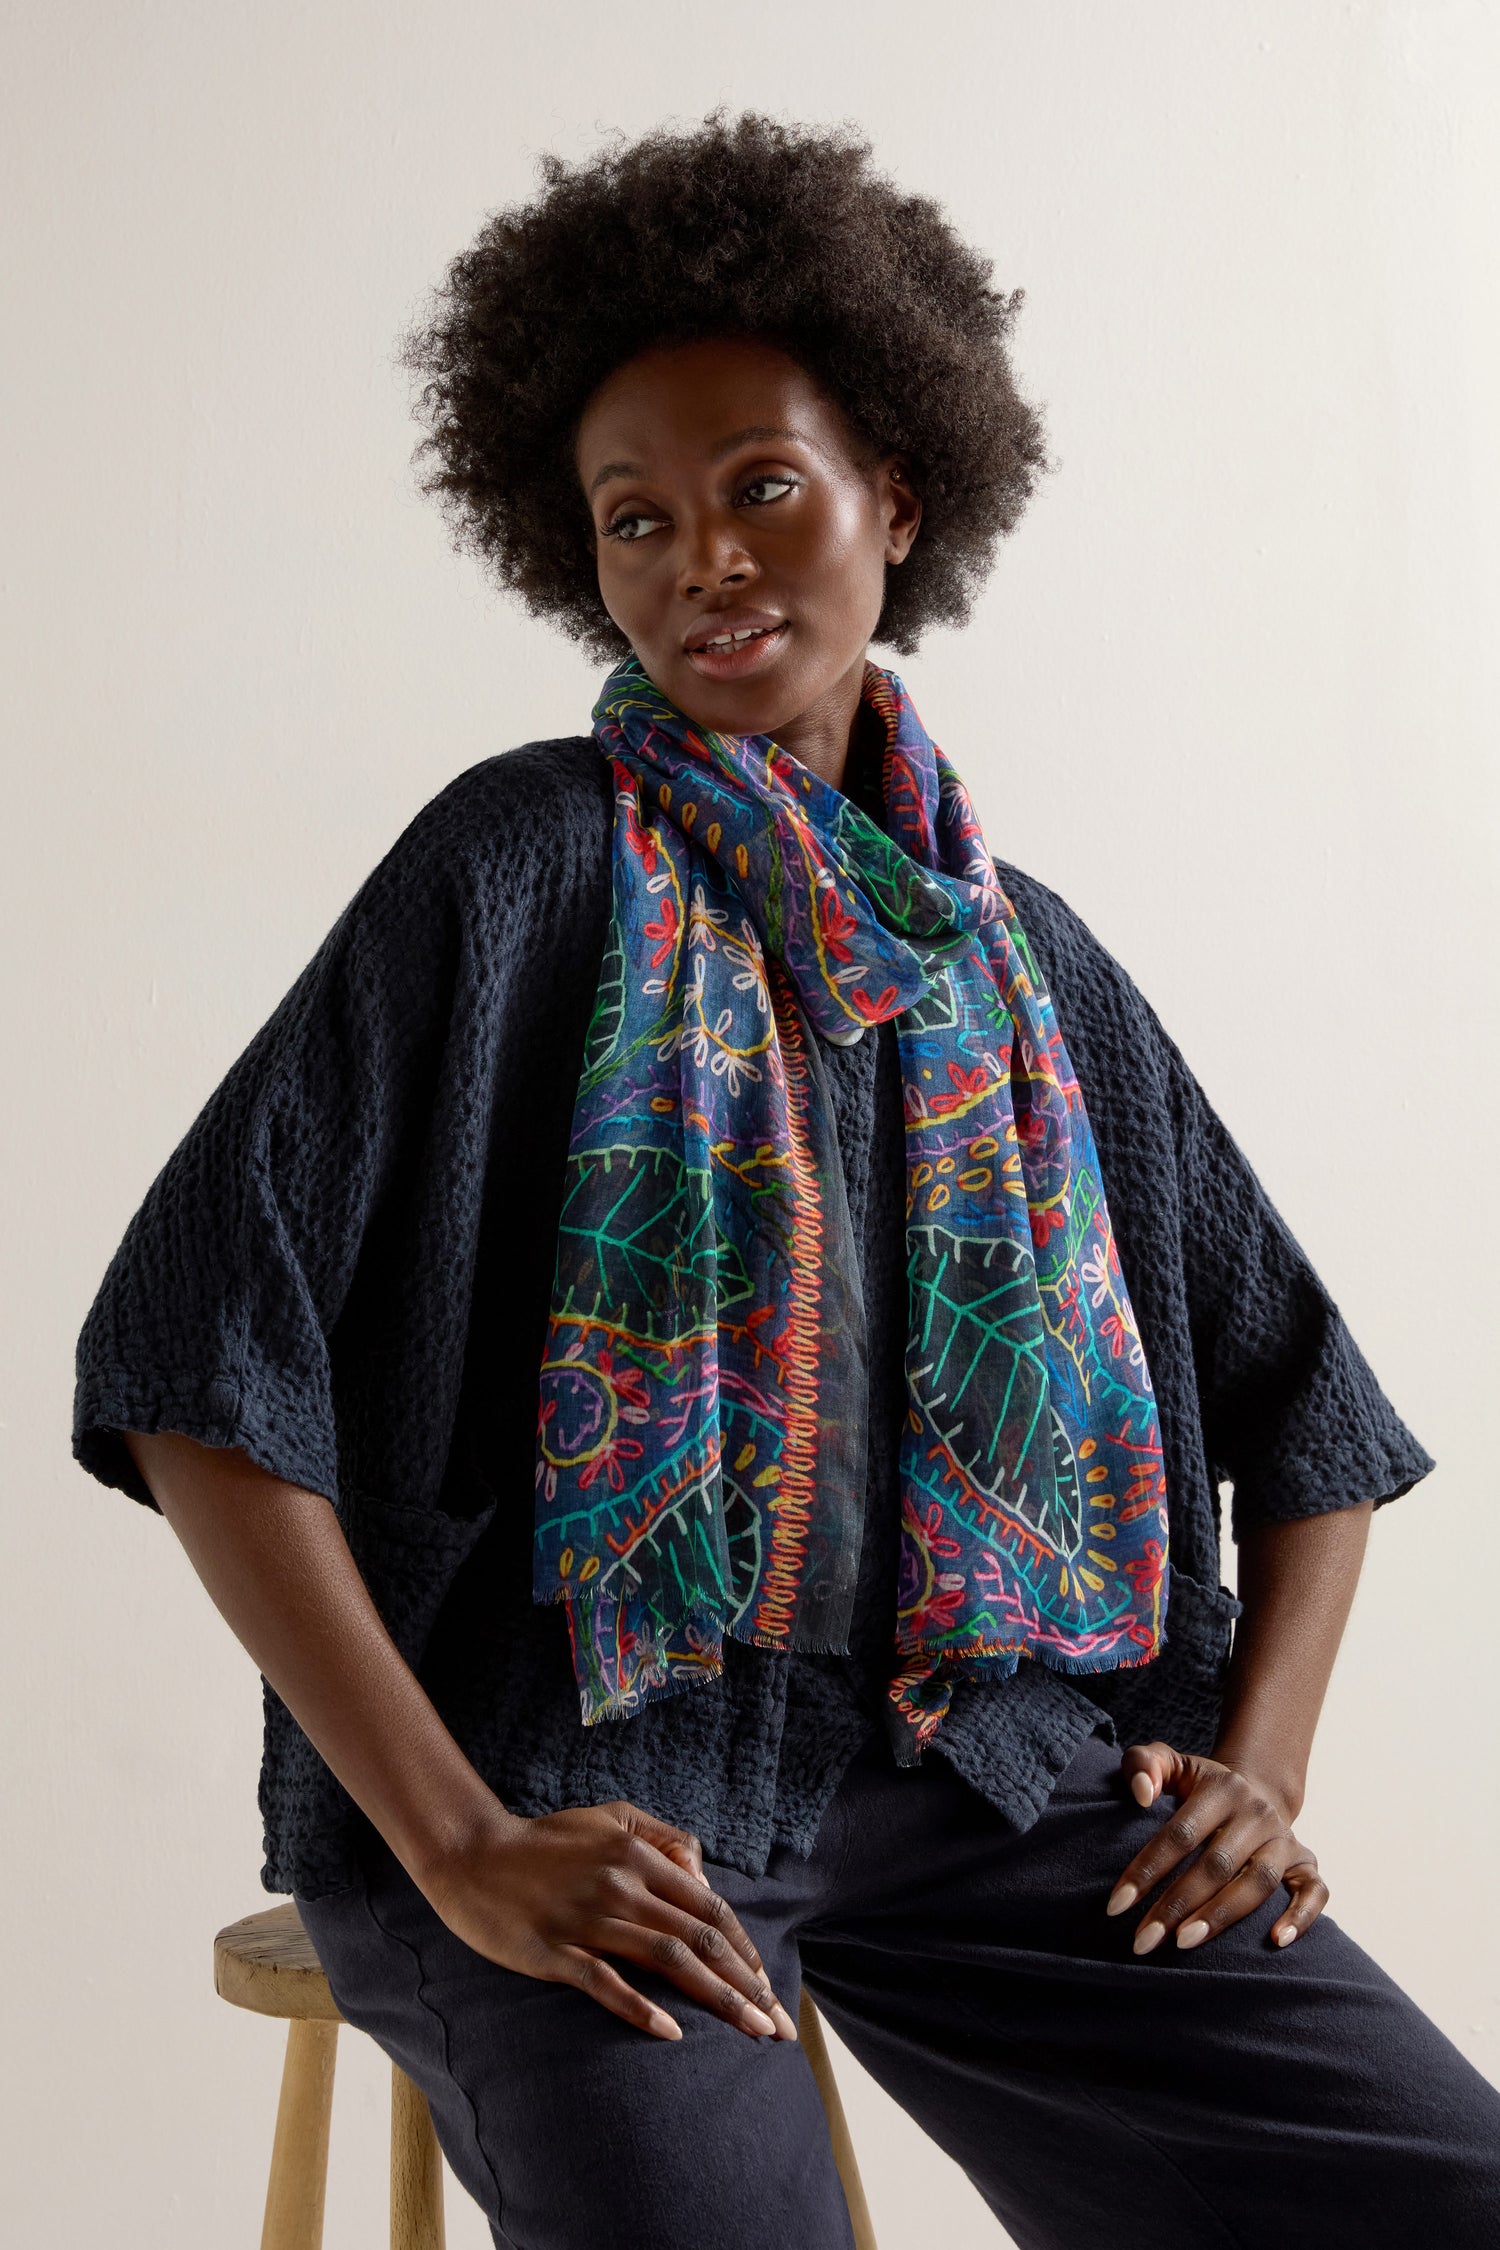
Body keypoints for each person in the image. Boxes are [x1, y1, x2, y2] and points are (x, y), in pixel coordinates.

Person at [73, 114, 1499, 2250]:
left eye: (760, 489)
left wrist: (1259, 1773)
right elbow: (194, 1354)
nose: (700, 563)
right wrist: (458, 1838)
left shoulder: (1020, 961)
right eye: (632, 522)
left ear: (895, 500)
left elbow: (1311, 1411)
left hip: (994, 1789)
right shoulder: (526, 862)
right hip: (585, 1789)